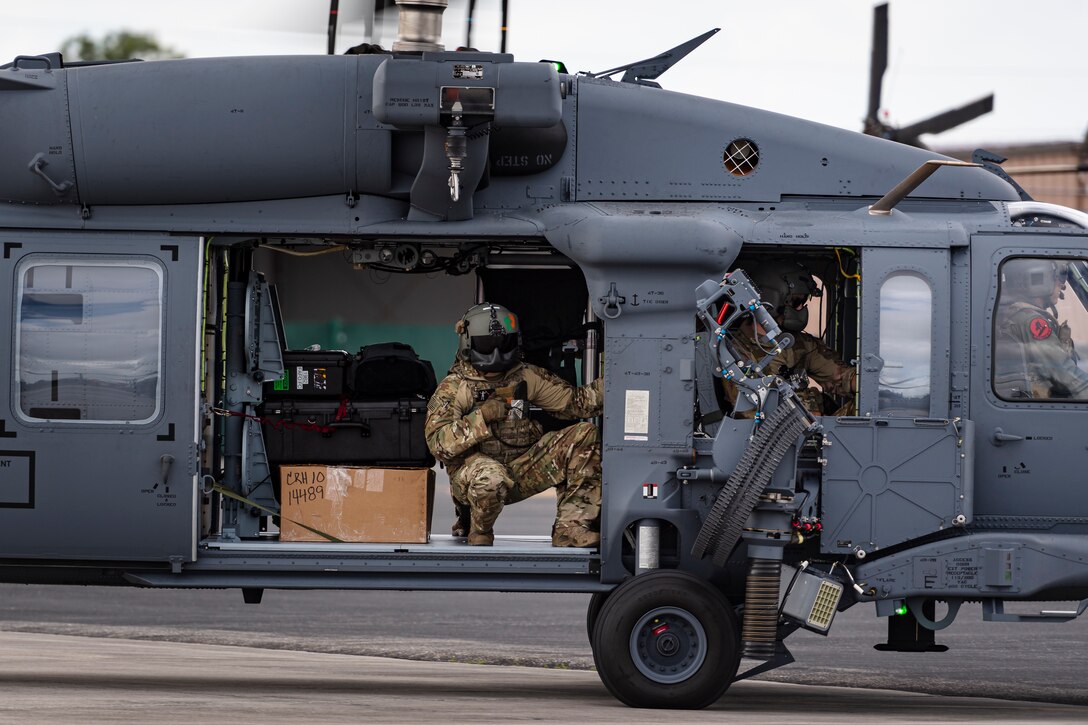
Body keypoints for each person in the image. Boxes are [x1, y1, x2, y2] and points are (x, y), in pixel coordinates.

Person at [425, 302, 603, 547]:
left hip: (521, 469)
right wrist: (482, 418)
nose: (496, 353)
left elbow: (576, 403)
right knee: (491, 477)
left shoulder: (526, 376)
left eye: (504, 343)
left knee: (584, 434)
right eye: (487, 345)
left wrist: (620, 379)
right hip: (474, 477)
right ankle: (479, 530)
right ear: (469, 343)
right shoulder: (455, 387)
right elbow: (437, 444)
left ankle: (570, 528)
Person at [722, 262, 856, 416]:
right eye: (797, 302)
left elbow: (840, 376)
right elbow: (751, 410)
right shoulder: (735, 351)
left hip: (815, 429)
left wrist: (865, 384)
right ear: (772, 298)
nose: (801, 309)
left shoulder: (798, 343)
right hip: (770, 433)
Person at [994, 258, 1088, 399]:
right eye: (1060, 277)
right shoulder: (1031, 320)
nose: (1063, 286)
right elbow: (1069, 379)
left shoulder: (1013, 313)